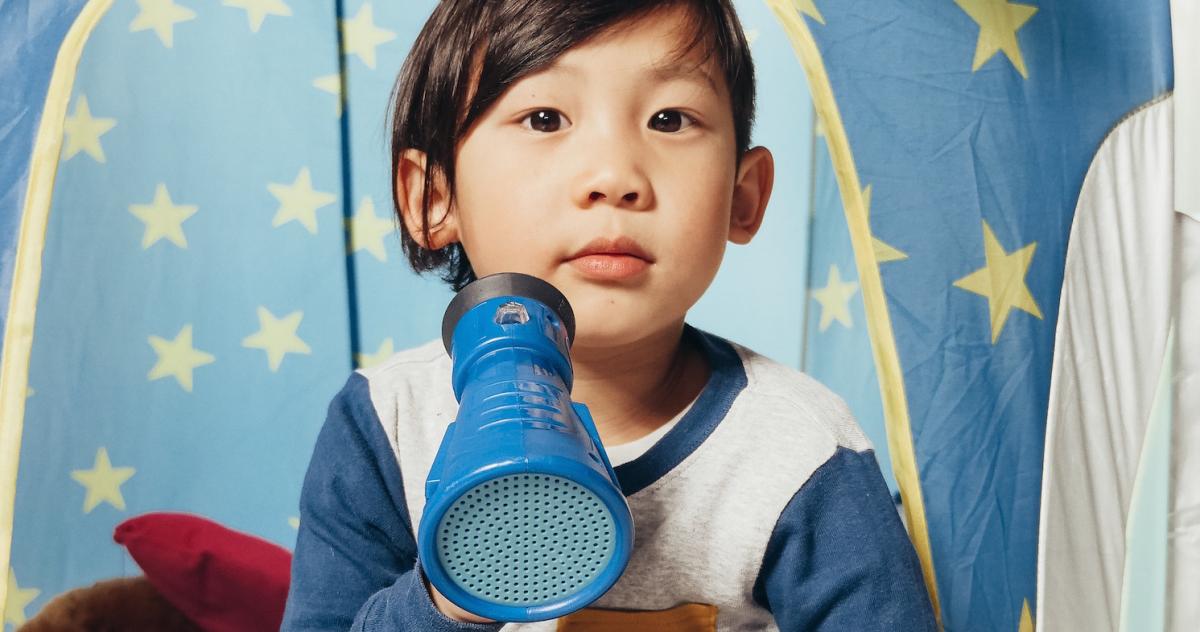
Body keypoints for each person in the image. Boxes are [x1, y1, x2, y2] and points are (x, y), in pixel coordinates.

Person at [281, 1, 936, 630]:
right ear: (432, 197)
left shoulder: (799, 446)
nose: (615, 176)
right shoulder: (385, 421)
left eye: (670, 119)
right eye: (544, 118)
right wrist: (454, 589)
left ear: (744, 197)